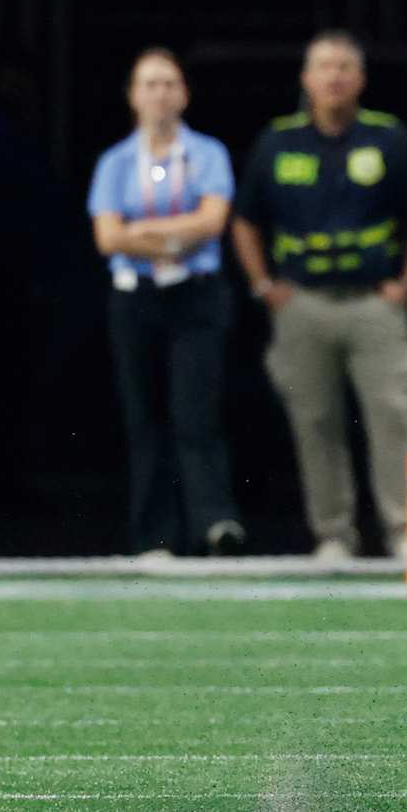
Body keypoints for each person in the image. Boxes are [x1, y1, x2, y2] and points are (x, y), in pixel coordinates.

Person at [233, 31, 407, 561]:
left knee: (394, 413)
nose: (334, 77)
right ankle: (333, 535)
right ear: (306, 79)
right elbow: (245, 221)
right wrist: (263, 285)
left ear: (361, 78)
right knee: (315, 421)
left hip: (375, 303)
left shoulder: (388, 139)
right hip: (301, 303)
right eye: (324, 67)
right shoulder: (277, 142)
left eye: (345, 67)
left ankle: (404, 533)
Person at [87, 48, 243, 558]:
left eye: (169, 83)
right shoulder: (115, 162)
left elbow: (212, 223)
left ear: (184, 94)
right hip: (135, 300)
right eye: (149, 84)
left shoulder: (208, 154)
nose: (160, 93)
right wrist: (176, 236)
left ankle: (214, 523)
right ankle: (154, 535)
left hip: (195, 297)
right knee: (144, 416)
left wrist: (145, 230)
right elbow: (109, 237)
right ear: (133, 95)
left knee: (195, 413)